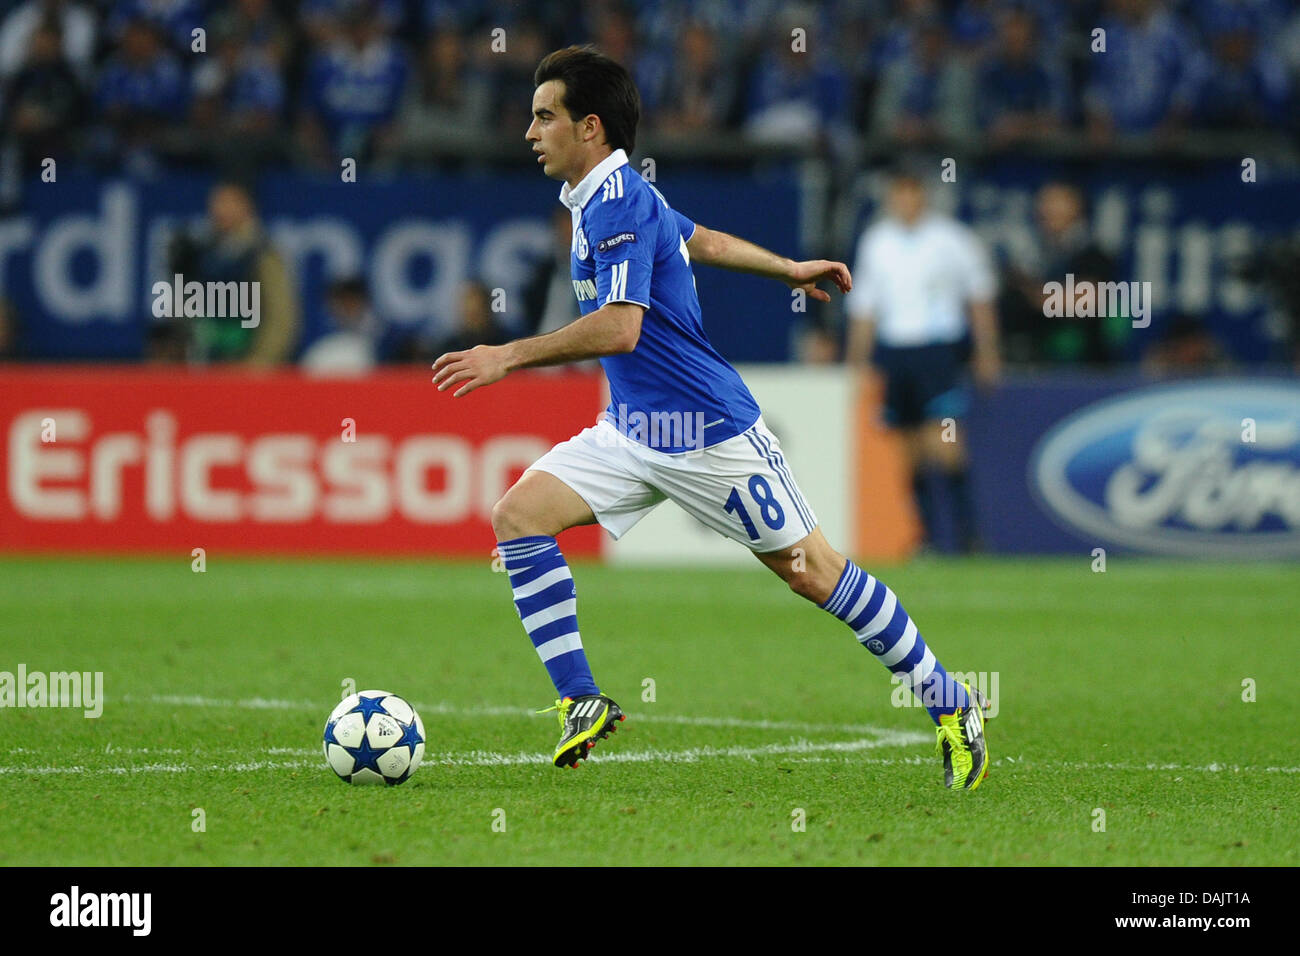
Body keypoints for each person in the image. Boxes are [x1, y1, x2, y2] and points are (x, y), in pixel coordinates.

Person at [431, 46, 990, 790]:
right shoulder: (605, 199)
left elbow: (622, 326)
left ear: (590, 127)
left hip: (708, 434)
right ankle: (579, 700)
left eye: (544, 116)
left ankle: (953, 705)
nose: (530, 132)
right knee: (518, 515)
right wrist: (788, 268)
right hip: (633, 432)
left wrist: (510, 355)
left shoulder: (620, 200)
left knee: (814, 573)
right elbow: (702, 241)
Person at [845, 167, 1000, 555]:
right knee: (909, 451)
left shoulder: (951, 240)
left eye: (912, 194)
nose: (906, 202)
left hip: (938, 352)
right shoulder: (876, 242)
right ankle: (927, 538)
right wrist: (856, 365)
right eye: (899, 195)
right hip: (896, 354)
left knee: (945, 444)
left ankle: (968, 536)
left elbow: (979, 298)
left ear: (923, 197)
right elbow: (865, 309)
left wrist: (987, 352)